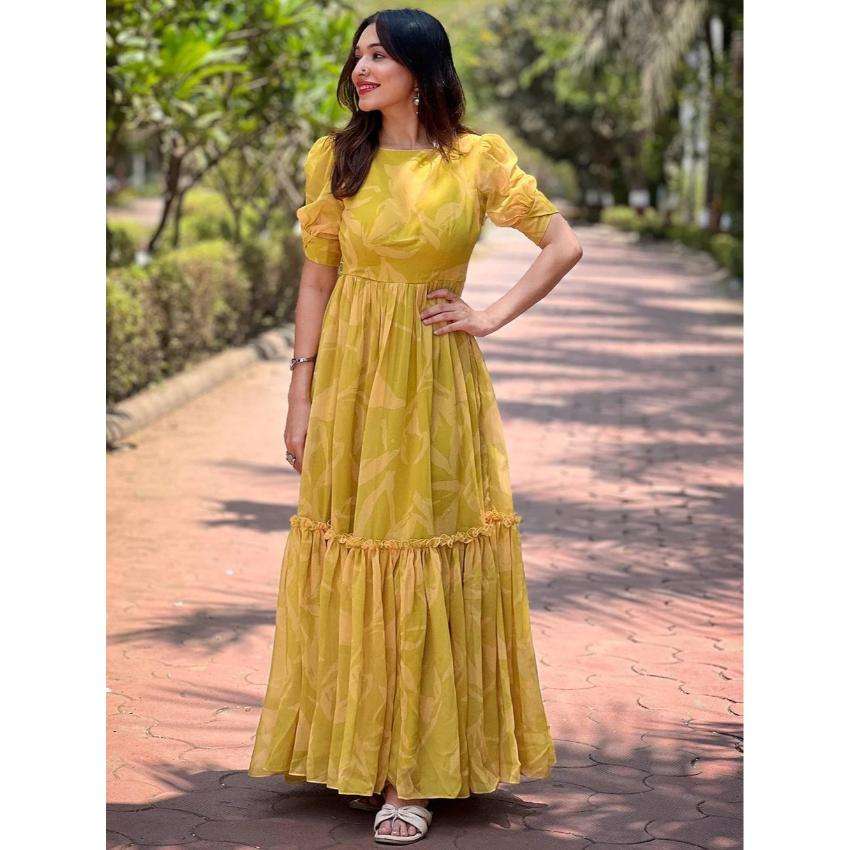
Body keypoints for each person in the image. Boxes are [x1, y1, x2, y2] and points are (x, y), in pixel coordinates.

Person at [247, 7, 583, 845]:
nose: (362, 69)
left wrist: (489, 315)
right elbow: (316, 282)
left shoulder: (476, 160)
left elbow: (562, 245)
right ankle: (360, 750)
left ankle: (412, 774)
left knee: (422, 548)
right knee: (356, 543)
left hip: (434, 386)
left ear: (422, 71)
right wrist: (299, 393)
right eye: (358, 55)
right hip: (352, 386)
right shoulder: (337, 158)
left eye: (381, 56)